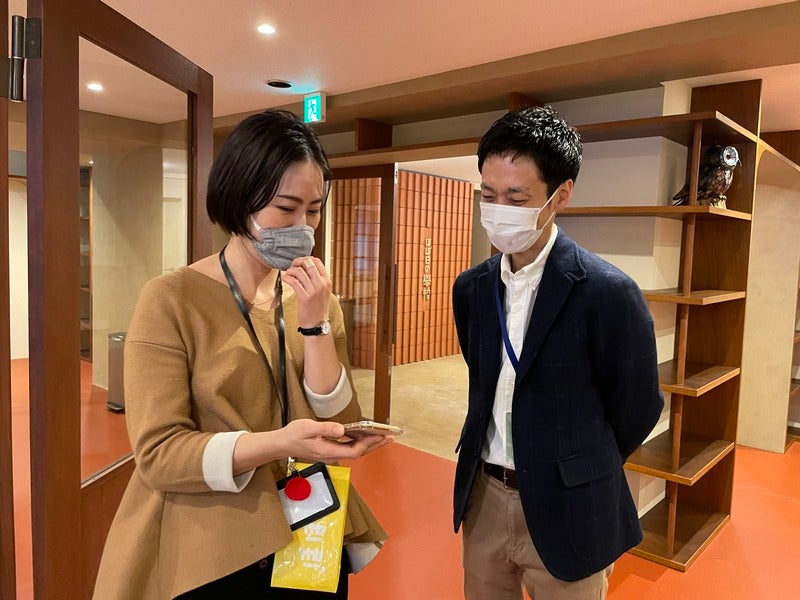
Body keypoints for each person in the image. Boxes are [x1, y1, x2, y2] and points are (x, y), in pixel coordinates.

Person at [93, 109, 391, 599]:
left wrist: (315, 322)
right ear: (239, 199)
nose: (303, 227)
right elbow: (160, 454)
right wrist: (277, 443)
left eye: (314, 210)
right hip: (211, 539)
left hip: (310, 529)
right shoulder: (171, 299)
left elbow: (339, 419)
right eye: (285, 207)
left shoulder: (317, 299)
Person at [452, 106, 664, 600]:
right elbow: (482, 379)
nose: (498, 209)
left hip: (572, 505)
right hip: (484, 496)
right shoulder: (471, 288)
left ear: (561, 195)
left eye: (516, 197)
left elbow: (637, 407)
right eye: (488, 195)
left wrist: (578, 465)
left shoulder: (608, 292)